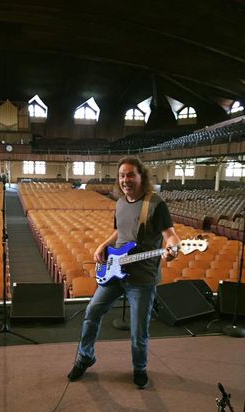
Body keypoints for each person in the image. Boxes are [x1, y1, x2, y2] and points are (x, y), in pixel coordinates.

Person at [68, 156, 180, 389]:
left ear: (141, 177)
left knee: (138, 331)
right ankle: (85, 356)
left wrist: (173, 249)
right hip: (115, 271)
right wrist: (103, 245)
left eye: (130, 175)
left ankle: (139, 368)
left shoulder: (155, 203)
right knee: (91, 312)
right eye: (121, 176)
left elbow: (170, 235)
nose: (125, 180)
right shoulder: (120, 203)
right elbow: (119, 232)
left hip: (142, 279)